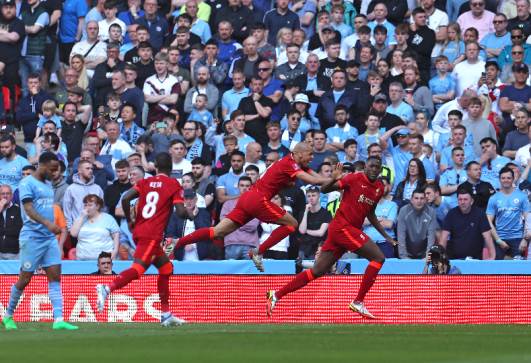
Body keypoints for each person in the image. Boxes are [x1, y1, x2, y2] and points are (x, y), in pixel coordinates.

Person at [169, 143, 335, 271]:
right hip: (258, 199)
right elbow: (315, 181)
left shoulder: (295, 163)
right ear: (298, 154)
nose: (312, 157)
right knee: (292, 225)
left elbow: (318, 177)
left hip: (247, 198)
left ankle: (177, 242)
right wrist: (336, 178)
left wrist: (333, 180)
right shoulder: (290, 164)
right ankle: (258, 251)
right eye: (310, 154)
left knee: (216, 231)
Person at [267, 157, 397, 319]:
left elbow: (370, 214)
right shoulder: (354, 178)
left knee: (317, 271)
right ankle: (358, 301)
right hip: (342, 227)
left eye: (377, 167)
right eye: (371, 165)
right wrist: (334, 178)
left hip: (345, 231)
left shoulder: (378, 187)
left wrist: (386, 237)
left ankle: (276, 295)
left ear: (380, 170)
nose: (373, 169)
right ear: (365, 166)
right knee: (378, 258)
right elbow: (325, 190)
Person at [96, 152, 189, 326]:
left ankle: (166, 314)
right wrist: (190, 213)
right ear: (170, 168)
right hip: (151, 235)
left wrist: (132, 218)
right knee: (138, 269)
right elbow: (181, 212)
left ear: (156, 167)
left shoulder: (145, 182)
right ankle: (107, 288)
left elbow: (126, 197)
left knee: (166, 268)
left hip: (141, 231)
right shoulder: (173, 184)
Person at [2, 153, 78, 331]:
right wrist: (49, 224)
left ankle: (58, 319)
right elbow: (28, 209)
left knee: (55, 276)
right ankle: (8, 316)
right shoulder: (27, 183)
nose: (54, 173)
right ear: (41, 165)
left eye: (56, 170)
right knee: (25, 279)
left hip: (48, 239)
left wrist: (51, 227)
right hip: (32, 238)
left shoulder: (48, 184)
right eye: (51, 169)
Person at [487, 166, 529, 259]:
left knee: (518, 271)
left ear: (513, 179)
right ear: (499, 179)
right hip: (500, 238)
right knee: (498, 271)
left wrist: (525, 239)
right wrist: (498, 240)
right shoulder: (493, 198)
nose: (506, 180)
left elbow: (528, 219)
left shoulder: (522, 196)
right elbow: (488, 222)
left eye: (509, 178)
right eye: (503, 178)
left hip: (518, 239)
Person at [440, 188, 495, 259]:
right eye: (460, 199)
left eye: (465, 199)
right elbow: (444, 237)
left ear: (471, 201)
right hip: (454, 259)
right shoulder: (451, 214)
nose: (462, 202)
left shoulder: (480, 214)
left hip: (475, 260)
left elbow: (488, 237)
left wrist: (492, 257)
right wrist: (441, 257)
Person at [70, 194, 120, 260]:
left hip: (104, 261)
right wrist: (81, 217)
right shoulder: (80, 219)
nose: (87, 207)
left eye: (90, 205)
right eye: (85, 205)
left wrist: (115, 251)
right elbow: (73, 234)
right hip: (82, 260)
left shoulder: (108, 218)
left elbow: (116, 235)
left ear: (97, 206)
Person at [63, 160, 105, 230]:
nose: (91, 171)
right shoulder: (71, 189)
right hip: (77, 229)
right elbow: (67, 211)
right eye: (87, 168)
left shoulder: (98, 188)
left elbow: (102, 209)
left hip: (95, 228)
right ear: (79, 170)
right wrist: (70, 229)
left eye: (91, 168)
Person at [397, 188, 437, 259]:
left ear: (425, 200)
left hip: (424, 254)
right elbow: (401, 236)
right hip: (407, 254)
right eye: (416, 198)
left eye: (422, 198)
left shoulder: (431, 212)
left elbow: (431, 238)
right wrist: (404, 258)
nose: (419, 201)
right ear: (411, 200)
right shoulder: (403, 211)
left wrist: (427, 257)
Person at [297, 186, 332, 259]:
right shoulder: (302, 213)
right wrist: (306, 212)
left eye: (313, 195)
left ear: (319, 196)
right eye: (309, 196)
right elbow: (302, 230)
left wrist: (306, 231)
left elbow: (320, 233)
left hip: (318, 248)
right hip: (304, 248)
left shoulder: (326, 213)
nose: (311, 198)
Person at [0, 184, 22, 259]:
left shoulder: (18, 210)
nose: (5, 196)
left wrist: (3, 231)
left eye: (8, 193)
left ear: (12, 196)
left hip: (13, 252)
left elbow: (17, 230)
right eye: (3, 194)